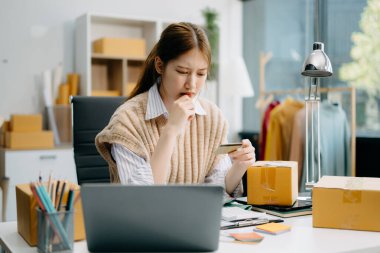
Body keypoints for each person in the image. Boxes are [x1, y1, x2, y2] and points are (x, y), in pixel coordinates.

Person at [95, 22, 255, 196]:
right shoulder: (127, 121)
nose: (192, 85)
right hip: (141, 222)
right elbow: (141, 199)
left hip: (196, 220)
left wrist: (239, 167)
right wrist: (170, 130)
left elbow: (216, 191)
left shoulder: (213, 117)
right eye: (182, 71)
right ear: (160, 66)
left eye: (201, 74)